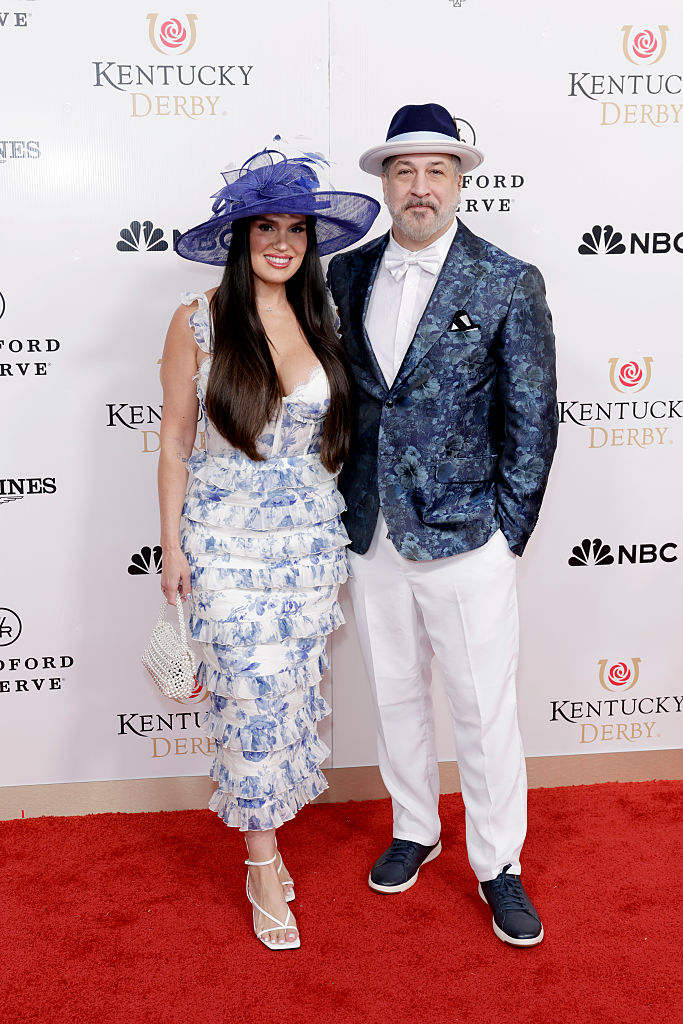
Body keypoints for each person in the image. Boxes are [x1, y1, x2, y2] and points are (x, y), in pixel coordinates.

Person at [328, 103, 558, 947]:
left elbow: (532, 417)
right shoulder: (343, 276)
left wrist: (506, 529)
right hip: (372, 529)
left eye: (436, 171)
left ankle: (499, 864)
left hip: (468, 536)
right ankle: (414, 828)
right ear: (382, 181)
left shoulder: (505, 279)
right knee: (394, 694)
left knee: (481, 707)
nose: (419, 187)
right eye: (403, 170)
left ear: (462, 180)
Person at [158, 149, 379, 950]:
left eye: (295, 229)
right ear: (239, 235)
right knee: (246, 706)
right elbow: (176, 443)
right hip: (223, 546)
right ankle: (261, 862)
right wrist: (170, 549)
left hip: (310, 548)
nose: (281, 242)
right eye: (265, 227)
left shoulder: (322, 319)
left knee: (285, 707)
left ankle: (267, 841)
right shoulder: (196, 320)